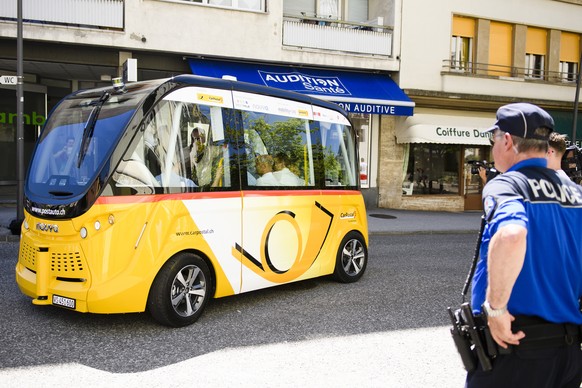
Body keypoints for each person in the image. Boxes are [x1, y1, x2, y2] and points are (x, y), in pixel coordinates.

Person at [466, 103, 582, 387]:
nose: (493, 147)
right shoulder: (576, 193)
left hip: (516, 349)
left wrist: (496, 309)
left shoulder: (507, 185)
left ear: (506, 140)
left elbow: (511, 235)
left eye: (493, 139)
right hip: (567, 354)